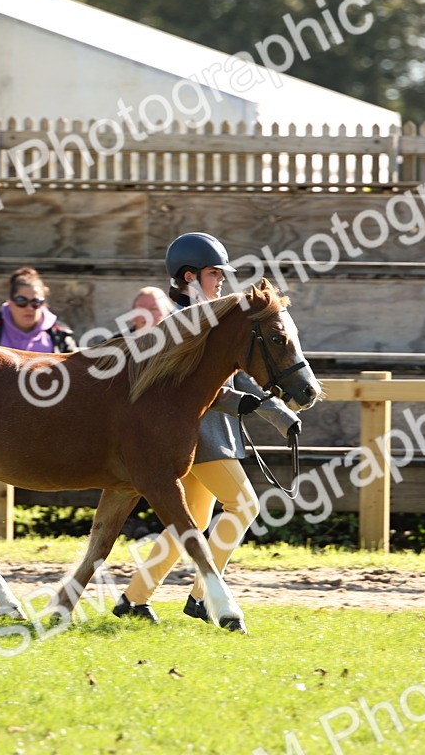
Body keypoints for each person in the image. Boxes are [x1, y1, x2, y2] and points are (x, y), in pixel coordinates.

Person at [112, 232, 301, 631]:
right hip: (199, 437)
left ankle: (134, 599)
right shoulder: (176, 319)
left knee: (190, 525)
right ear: (189, 274)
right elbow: (183, 385)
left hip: (213, 435)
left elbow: (241, 373)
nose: (221, 280)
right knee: (244, 505)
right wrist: (249, 406)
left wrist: (280, 412)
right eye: (215, 273)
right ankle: (202, 595)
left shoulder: (214, 315)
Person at [0, 267, 77, 352]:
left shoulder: (60, 334)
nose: (29, 308)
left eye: (35, 302)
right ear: (10, 302)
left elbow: (74, 371)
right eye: (21, 301)